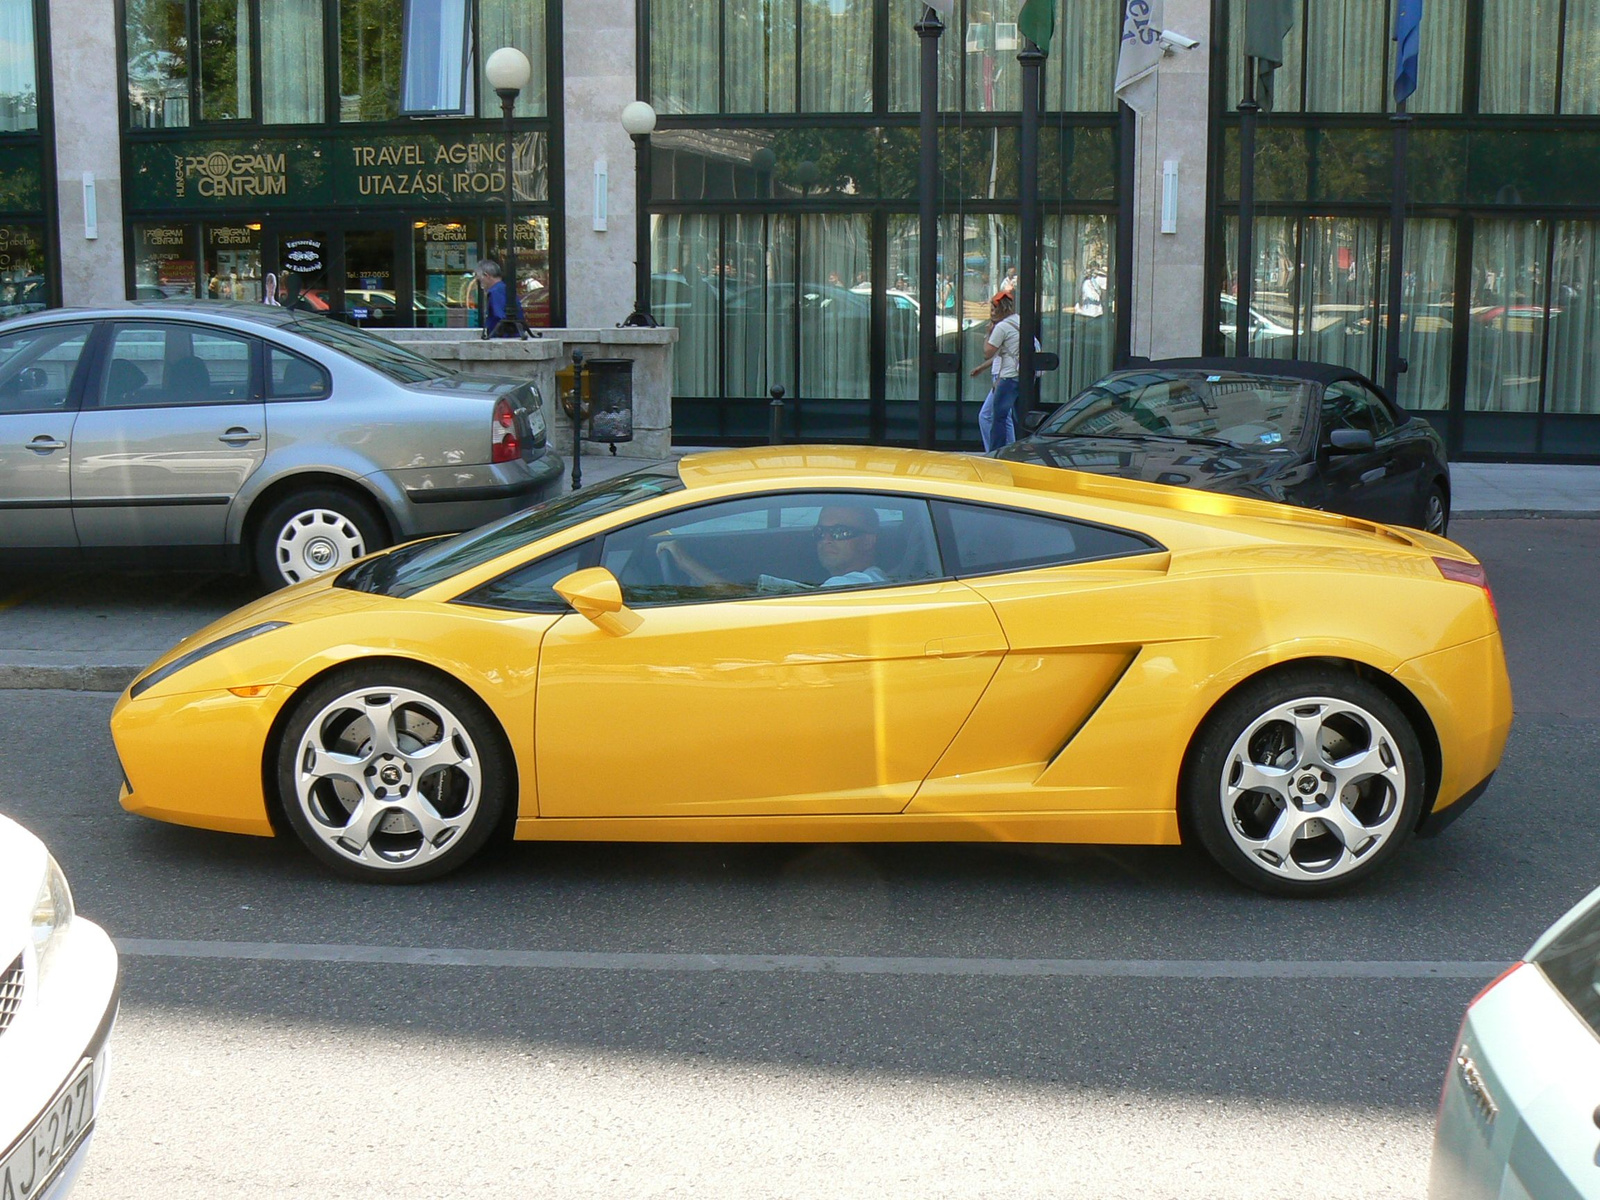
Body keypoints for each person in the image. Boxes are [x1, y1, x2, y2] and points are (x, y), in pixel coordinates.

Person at [657, 504, 887, 595]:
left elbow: (749, 601)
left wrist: (685, 562)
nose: (826, 539)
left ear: (868, 541)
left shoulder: (852, 586)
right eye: (820, 532)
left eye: (840, 532)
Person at [970, 291, 1021, 451]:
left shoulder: (1002, 327)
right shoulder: (1019, 322)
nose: (991, 313)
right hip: (1014, 375)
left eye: (993, 309)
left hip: (1006, 377)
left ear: (1000, 309)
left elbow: (988, 352)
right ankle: (1010, 449)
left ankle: (995, 451)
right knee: (1004, 417)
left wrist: (988, 333)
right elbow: (1005, 353)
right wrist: (981, 368)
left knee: (990, 416)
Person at [475, 259, 522, 337]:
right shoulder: (503, 288)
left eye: (480, 279)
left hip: (502, 338)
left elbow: (501, 319)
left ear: (487, 276)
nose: (480, 283)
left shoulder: (496, 292)